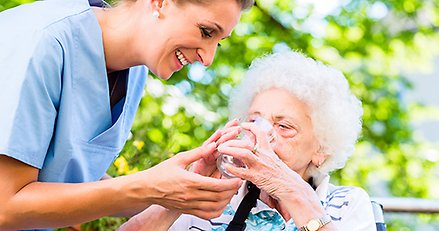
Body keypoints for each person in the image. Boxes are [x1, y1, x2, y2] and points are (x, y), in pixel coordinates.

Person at [0, 0, 254, 230]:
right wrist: (150, 187)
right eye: (206, 32)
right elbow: (4, 207)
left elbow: (66, 170)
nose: (208, 58)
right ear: (160, 3)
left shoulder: (135, 72)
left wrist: (181, 186)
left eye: (217, 42)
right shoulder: (43, 41)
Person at [118, 51, 376, 230]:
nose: (262, 134)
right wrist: (187, 193)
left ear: (322, 149)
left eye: (284, 126)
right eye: (255, 121)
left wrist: (287, 187)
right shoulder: (216, 202)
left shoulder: (347, 204)